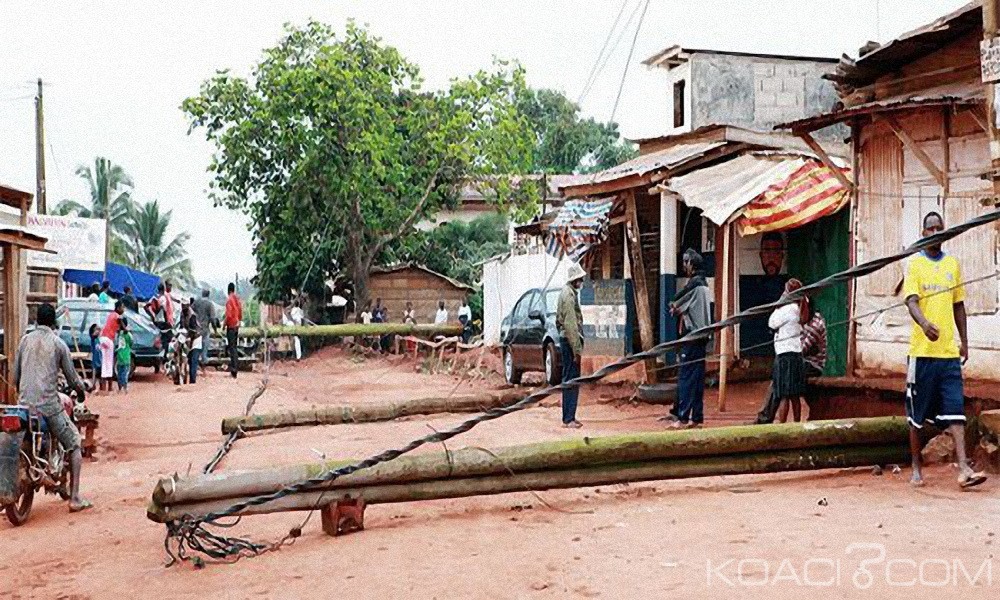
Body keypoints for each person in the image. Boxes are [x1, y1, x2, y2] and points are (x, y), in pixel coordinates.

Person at [903, 212, 987, 489]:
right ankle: (916, 467)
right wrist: (925, 323)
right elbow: (911, 301)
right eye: (931, 228)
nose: (936, 232)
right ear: (924, 233)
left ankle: (963, 468)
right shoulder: (914, 265)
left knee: (955, 410)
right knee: (916, 416)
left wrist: (965, 340)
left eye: (940, 228)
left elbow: (958, 305)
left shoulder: (953, 264)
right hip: (922, 353)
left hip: (948, 353)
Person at [13, 303, 92, 512]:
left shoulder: (24, 341)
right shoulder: (58, 344)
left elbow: (15, 378)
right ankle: (75, 498)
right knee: (74, 442)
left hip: (23, 407)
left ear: (37, 320)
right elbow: (73, 378)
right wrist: (82, 390)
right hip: (48, 406)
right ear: (54, 322)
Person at [754, 300, 827, 424]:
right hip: (799, 360)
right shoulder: (799, 319)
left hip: (812, 364)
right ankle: (767, 417)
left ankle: (766, 417)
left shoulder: (815, 324)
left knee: (781, 382)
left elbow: (801, 349)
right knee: (780, 380)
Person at [667, 249, 713, 429]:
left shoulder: (693, 285)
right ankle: (697, 418)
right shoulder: (704, 284)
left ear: (691, 265)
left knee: (686, 378)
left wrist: (676, 309)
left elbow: (674, 304)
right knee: (697, 378)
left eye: (686, 262)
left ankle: (683, 417)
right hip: (702, 336)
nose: (684, 266)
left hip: (692, 336)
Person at [768, 279, 808, 424]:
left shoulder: (788, 309)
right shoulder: (799, 306)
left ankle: (782, 426)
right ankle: (797, 423)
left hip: (785, 354)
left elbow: (771, 322)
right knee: (795, 395)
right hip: (796, 354)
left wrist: (781, 300)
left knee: (784, 394)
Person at [556, 263, 587, 428]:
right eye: (580, 279)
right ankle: (569, 418)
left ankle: (568, 417)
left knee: (568, 379)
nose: (582, 281)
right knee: (572, 380)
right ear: (575, 279)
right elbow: (571, 325)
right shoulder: (569, 296)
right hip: (569, 342)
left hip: (566, 340)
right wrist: (576, 350)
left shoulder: (566, 293)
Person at [98, 301, 125, 391]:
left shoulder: (111, 315)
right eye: (122, 307)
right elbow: (123, 327)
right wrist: (126, 329)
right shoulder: (117, 316)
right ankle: (109, 387)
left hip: (102, 339)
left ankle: (103, 387)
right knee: (109, 363)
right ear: (118, 308)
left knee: (104, 362)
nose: (123, 309)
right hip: (109, 340)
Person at [192, 289, 216, 373]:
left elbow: (191, 312)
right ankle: (203, 368)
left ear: (202, 294)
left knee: (195, 348)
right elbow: (213, 318)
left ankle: (194, 368)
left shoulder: (196, 302)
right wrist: (215, 329)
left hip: (196, 329)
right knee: (204, 349)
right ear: (208, 295)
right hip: (205, 329)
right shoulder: (210, 304)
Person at [225, 282, 243, 378]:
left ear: (228, 290)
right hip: (236, 325)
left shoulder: (229, 300)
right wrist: (239, 321)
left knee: (231, 348)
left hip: (231, 326)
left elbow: (228, 315)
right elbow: (240, 312)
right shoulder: (237, 299)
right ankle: (235, 368)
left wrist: (224, 324)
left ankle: (233, 370)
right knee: (234, 348)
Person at [181, 300, 202, 384]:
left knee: (193, 360)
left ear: (188, 305)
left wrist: (189, 342)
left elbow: (193, 331)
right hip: (187, 338)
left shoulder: (192, 315)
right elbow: (182, 326)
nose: (184, 307)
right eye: (182, 305)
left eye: (185, 305)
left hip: (195, 339)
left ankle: (192, 381)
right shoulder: (182, 314)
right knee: (188, 360)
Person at [115, 318, 133, 393]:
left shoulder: (118, 334)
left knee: (119, 374)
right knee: (125, 373)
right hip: (126, 357)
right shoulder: (128, 334)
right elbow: (131, 343)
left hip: (119, 357)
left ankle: (119, 388)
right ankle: (125, 388)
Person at [88, 323, 105, 394]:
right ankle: (93, 386)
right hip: (95, 360)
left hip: (100, 359)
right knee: (94, 374)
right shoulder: (93, 339)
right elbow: (93, 334)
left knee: (101, 375)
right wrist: (96, 331)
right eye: (96, 329)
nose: (98, 331)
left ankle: (101, 388)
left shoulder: (98, 339)